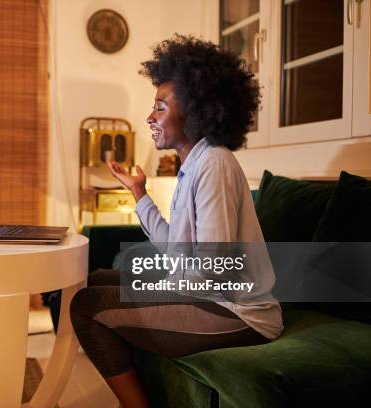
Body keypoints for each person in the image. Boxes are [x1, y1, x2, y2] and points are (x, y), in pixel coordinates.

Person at [70, 35, 283, 408]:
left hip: (237, 313)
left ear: (198, 110)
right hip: (209, 297)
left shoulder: (213, 164)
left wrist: (160, 286)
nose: (150, 117)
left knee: (87, 305)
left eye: (160, 107)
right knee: (96, 281)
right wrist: (140, 193)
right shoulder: (194, 165)